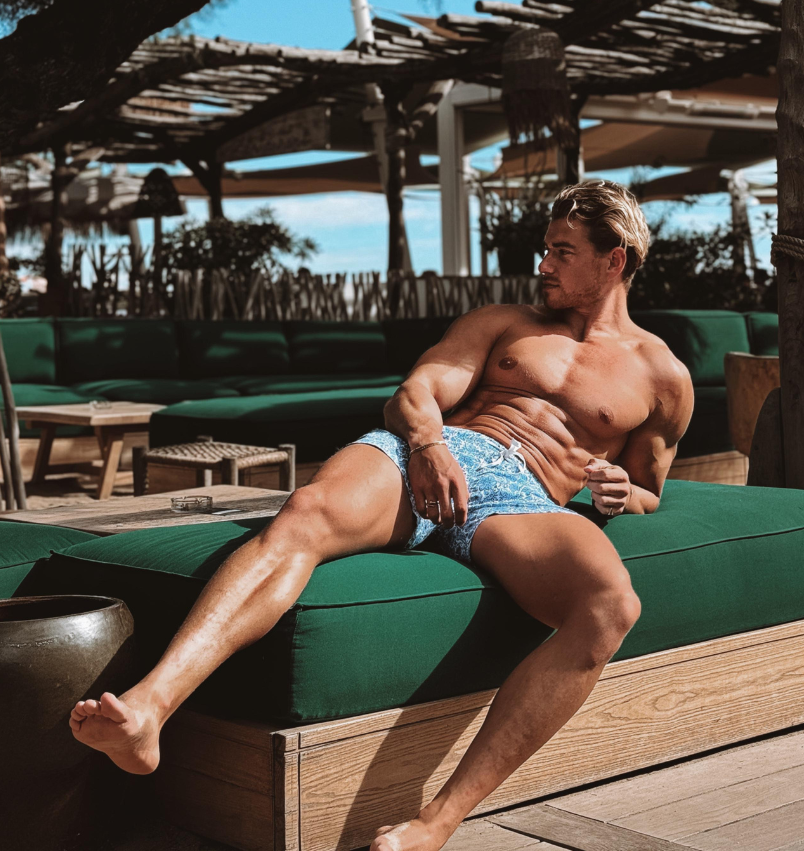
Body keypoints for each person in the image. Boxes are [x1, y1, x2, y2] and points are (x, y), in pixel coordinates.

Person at [69, 179, 693, 851]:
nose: (542, 265)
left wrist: (620, 491)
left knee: (609, 607)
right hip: (437, 450)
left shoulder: (662, 377)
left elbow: (647, 486)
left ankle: (436, 823)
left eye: (562, 252)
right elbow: (416, 392)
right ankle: (149, 708)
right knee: (306, 511)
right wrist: (427, 446)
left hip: (526, 498)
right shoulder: (504, 323)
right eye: (545, 248)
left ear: (614, 259)